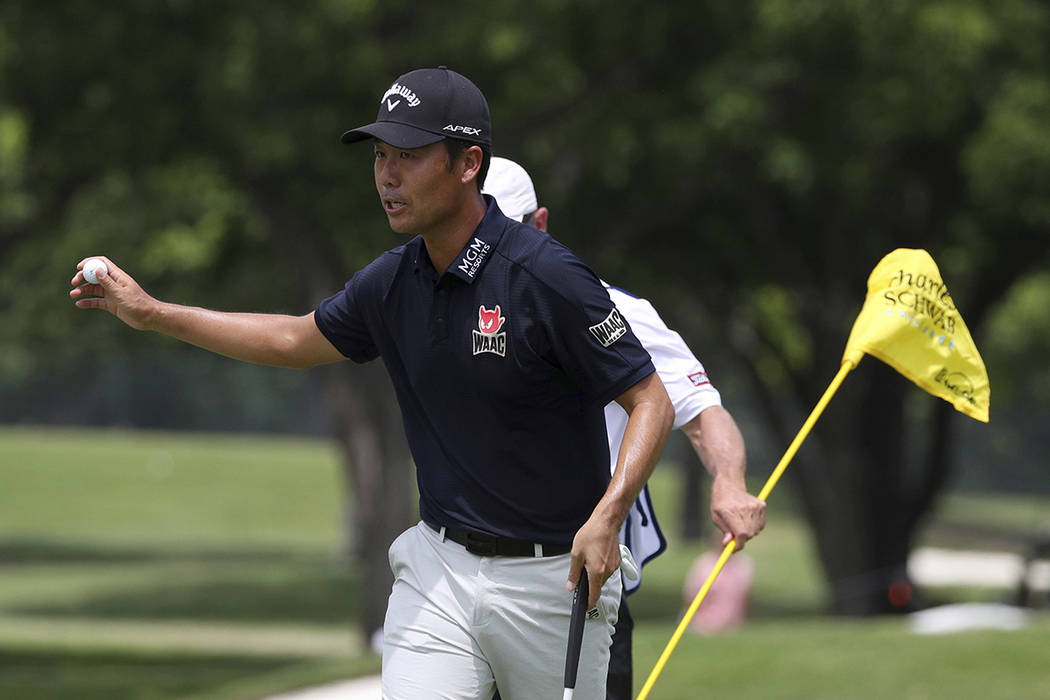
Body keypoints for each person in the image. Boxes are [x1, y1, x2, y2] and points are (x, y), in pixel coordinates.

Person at [69, 67, 674, 700]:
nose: (387, 176)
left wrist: (608, 516)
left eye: (408, 157)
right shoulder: (392, 282)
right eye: (381, 157)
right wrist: (154, 313)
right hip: (439, 568)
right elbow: (292, 340)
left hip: (551, 579)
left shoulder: (546, 275)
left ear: (468, 163)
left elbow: (649, 399)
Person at [482, 157, 767, 699]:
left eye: (506, 229)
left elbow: (703, 411)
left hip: (587, 588)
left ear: (538, 225)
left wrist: (729, 480)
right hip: (476, 581)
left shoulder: (616, 311)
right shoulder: (446, 308)